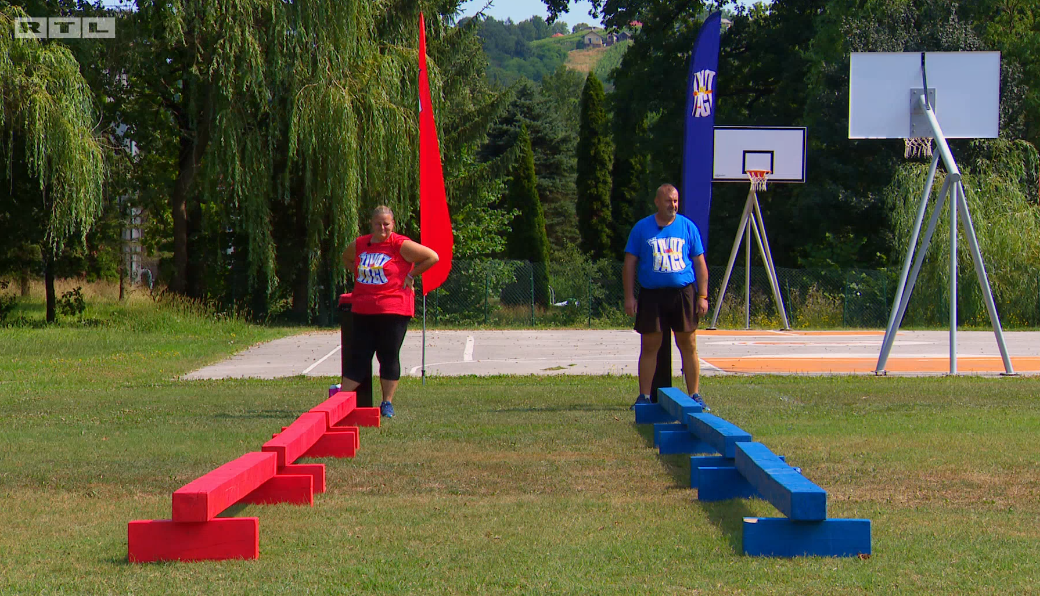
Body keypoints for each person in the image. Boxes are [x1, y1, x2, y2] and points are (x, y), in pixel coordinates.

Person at [341, 206, 439, 418]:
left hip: (393, 309)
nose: (382, 227)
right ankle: (338, 402)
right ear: (371, 224)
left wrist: (411, 275)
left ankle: (387, 403)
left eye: (387, 223)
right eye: (378, 223)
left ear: (393, 224)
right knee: (358, 356)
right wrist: (359, 273)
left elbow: (432, 257)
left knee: (388, 355)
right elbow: (346, 259)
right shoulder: (360, 244)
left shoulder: (399, 244)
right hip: (363, 309)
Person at [623, 184, 710, 410]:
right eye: (669, 201)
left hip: (683, 294)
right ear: (657, 202)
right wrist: (629, 297)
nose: (673, 205)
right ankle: (644, 397)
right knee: (650, 345)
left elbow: (700, 264)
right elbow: (629, 264)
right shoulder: (642, 228)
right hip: (652, 295)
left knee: (688, 344)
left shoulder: (687, 227)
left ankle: (695, 395)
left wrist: (703, 295)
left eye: (676, 201)